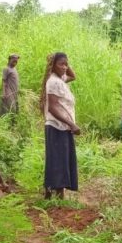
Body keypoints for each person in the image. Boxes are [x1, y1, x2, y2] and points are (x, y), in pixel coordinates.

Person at [40, 52, 80, 199]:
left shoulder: (60, 79)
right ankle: (54, 196)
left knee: (61, 160)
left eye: (66, 64)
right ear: (52, 66)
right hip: (57, 126)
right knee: (57, 161)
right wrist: (72, 124)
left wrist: (63, 62)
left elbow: (73, 76)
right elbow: (53, 107)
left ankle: (53, 195)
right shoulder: (53, 82)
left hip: (63, 127)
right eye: (61, 64)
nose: (65, 67)